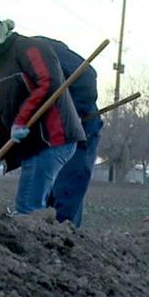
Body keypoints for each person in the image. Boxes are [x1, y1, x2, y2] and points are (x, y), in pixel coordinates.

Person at [0, 18, 86, 215]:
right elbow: (5, 123)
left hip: (54, 138)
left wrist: (21, 121)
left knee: (27, 206)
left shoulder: (30, 48)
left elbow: (48, 82)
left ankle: (33, 241)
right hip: (35, 146)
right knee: (29, 203)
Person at [34, 36, 102, 228]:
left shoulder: (39, 51)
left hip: (80, 127)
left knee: (66, 194)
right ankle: (42, 242)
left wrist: (72, 114)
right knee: (43, 194)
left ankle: (64, 246)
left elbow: (87, 76)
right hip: (50, 133)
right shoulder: (12, 72)